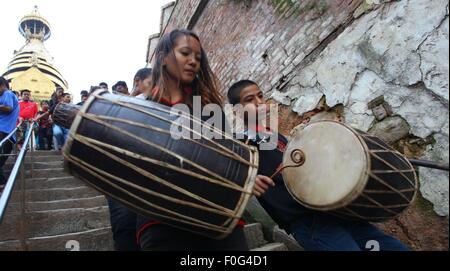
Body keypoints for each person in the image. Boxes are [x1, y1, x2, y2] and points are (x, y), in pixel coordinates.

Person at [227, 79, 409, 251]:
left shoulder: (278, 138)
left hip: (336, 210)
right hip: (309, 223)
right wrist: (247, 179)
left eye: (260, 96)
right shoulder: (240, 143)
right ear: (236, 110)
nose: (259, 103)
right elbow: (225, 175)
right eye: (249, 100)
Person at [136, 29, 248, 251]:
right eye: (185, 53)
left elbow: (228, 157)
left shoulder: (209, 108)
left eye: (198, 57)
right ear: (163, 58)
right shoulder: (140, 109)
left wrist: (247, 178)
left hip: (218, 217)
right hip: (162, 221)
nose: (193, 61)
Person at [0, 77, 19, 192]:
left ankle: (2, 184)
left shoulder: (7, 94)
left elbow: (8, 107)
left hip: (4, 131)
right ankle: (2, 183)